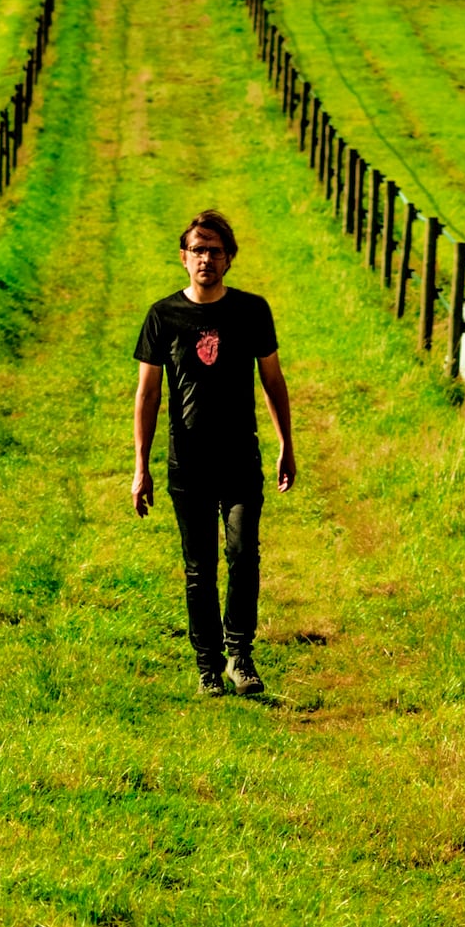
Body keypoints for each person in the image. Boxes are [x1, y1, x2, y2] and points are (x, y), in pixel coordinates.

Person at [127, 210, 294, 697]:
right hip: (189, 463)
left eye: (214, 251)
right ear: (184, 258)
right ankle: (208, 666)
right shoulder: (163, 316)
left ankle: (240, 655)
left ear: (229, 258)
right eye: (198, 250)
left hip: (240, 457)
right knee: (199, 569)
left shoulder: (251, 311)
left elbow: (273, 380)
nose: (206, 258)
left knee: (243, 555)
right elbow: (147, 395)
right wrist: (141, 468)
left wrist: (286, 445)